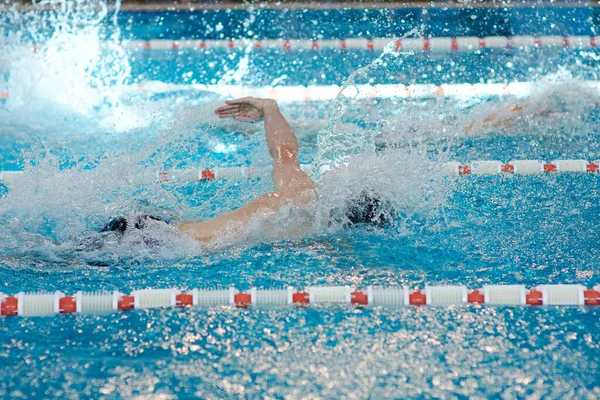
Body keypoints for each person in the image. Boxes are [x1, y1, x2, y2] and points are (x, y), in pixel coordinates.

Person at [102, 97, 392, 246]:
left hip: (152, 227)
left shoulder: (300, 193)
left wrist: (269, 107)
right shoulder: (307, 228)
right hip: (151, 243)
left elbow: (285, 152)